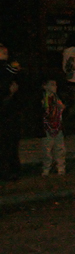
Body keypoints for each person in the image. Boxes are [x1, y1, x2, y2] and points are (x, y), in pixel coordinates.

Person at [0, 44, 22, 181]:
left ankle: (10, 170)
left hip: (9, 111)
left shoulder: (9, 67)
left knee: (10, 142)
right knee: (7, 142)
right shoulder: (5, 69)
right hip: (5, 111)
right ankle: (7, 171)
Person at [41, 78, 66, 176]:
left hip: (57, 126)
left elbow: (61, 108)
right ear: (45, 86)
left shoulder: (57, 98)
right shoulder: (44, 99)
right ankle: (47, 167)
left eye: (55, 85)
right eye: (52, 84)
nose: (55, 87)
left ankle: (60, 167)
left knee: (60, 147)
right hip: (47, 127)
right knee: (47, 148)